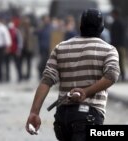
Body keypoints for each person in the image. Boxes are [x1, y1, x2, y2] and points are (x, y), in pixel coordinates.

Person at [26, 9, 120, 141]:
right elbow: (112, 75)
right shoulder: (109, 50)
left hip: (62, 118)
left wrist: (34, 112)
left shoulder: (60, 48)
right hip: (90, 117)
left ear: (80, 25)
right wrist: (86, 92)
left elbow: (46, 81)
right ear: (102, 28)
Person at [110, 8, 126, 81]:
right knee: (120, 61)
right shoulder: (121, 22)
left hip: (118, 45)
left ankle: (121, 75)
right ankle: (122, 75)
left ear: (115, 14)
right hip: (121, 44)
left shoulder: (116, 23)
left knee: (119, 61)